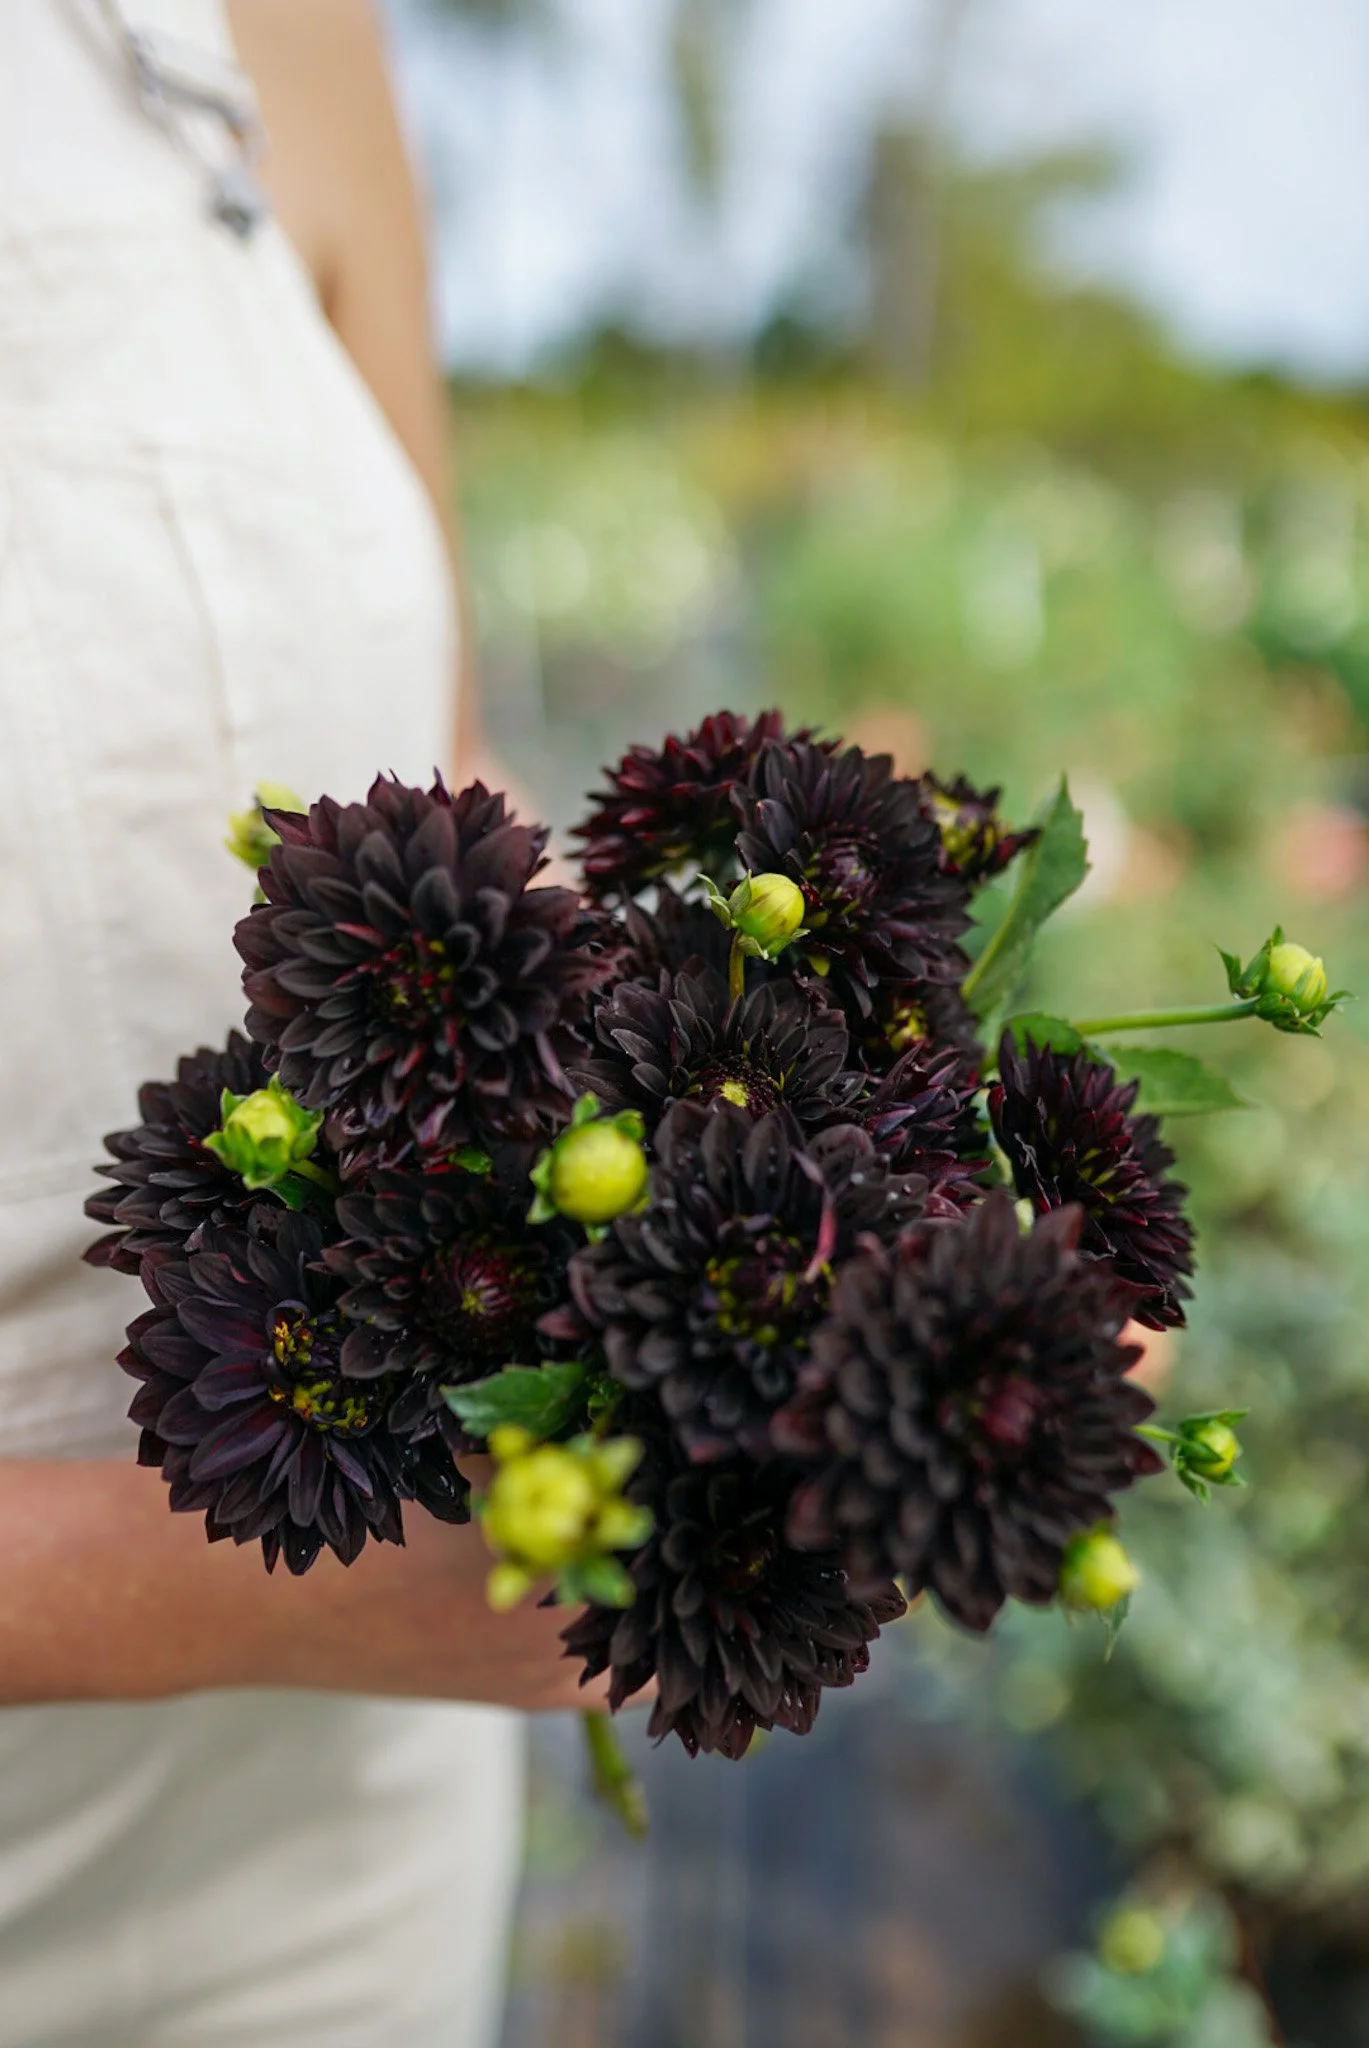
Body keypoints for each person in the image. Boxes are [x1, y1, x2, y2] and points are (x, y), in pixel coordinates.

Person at [0, 2, 600, 2041]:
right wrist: (258, 1581)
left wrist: (842, 1180)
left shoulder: (271, 29)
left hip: (346, 1833)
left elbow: (442, 796)